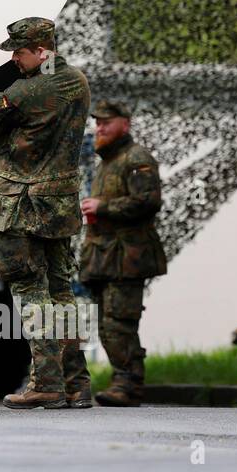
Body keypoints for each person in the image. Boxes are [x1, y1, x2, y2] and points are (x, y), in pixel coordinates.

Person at [0, 17, 93, 410]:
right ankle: (76, 384)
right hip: (57, 203)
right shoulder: (76, 79)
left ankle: (45, 382)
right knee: (61, 293)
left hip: (18, 203)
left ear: (42, 50)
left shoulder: (30, 87)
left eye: (19, 52)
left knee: (30, 292)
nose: (14, 59)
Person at [80, 99, 167, 407]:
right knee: (107, 323)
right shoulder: (108, 161)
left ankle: (128, 383)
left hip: (127, 257)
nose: (100, 127)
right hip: (106, 256)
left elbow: (148, 201)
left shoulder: (136, 157)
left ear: (125, 124)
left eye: (107, 122)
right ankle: (124, 380)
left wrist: (104, 207)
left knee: (119, 322)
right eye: (98, 122)